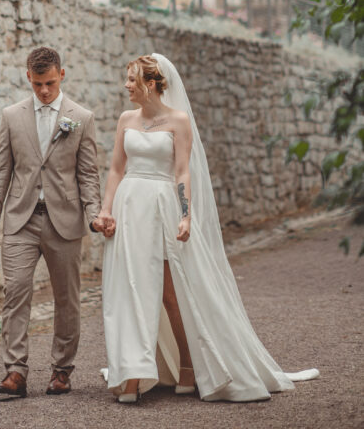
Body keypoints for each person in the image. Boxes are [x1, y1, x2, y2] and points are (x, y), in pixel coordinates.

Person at [98, 53, 319, 403]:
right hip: (128, 208)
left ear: (152, 84)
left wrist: (185, 215)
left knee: (172, 293)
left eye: (132, 79)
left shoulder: (178, 120)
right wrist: (105, 210)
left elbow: (182, 171)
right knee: (130, 289)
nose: (126, 85)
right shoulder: (126, 119)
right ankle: (132, 373)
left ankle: (188, 365)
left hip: (161, 207)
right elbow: (114, 169)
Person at [0, 46, 104, 399]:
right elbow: (0, 171)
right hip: (20, 220)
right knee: (16, 292)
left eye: (50, 83)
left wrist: (94, 216)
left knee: (67, 299)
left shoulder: (81, 117)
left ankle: (62, 371)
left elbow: (88, 176)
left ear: (62, 75)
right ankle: (15, 372)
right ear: (28, 79)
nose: (44, 91)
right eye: (37, 84)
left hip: (64, 221)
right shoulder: (12, 116)